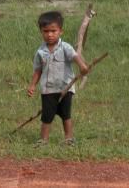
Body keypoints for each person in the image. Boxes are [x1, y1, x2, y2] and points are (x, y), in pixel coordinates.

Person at [27, 11, 89, 146]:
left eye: (53, 31)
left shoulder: (65, 47)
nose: (50, 34)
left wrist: (83, 67)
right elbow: (38, 70)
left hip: (65, 87)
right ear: (41, 32)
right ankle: (43, 140)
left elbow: (75, 57)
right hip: (48, 89)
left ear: (61, 31)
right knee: (47, 116)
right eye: (46, 31)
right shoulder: (40, 52)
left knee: (66, 114)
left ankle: (69, 139)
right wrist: (32, 85)